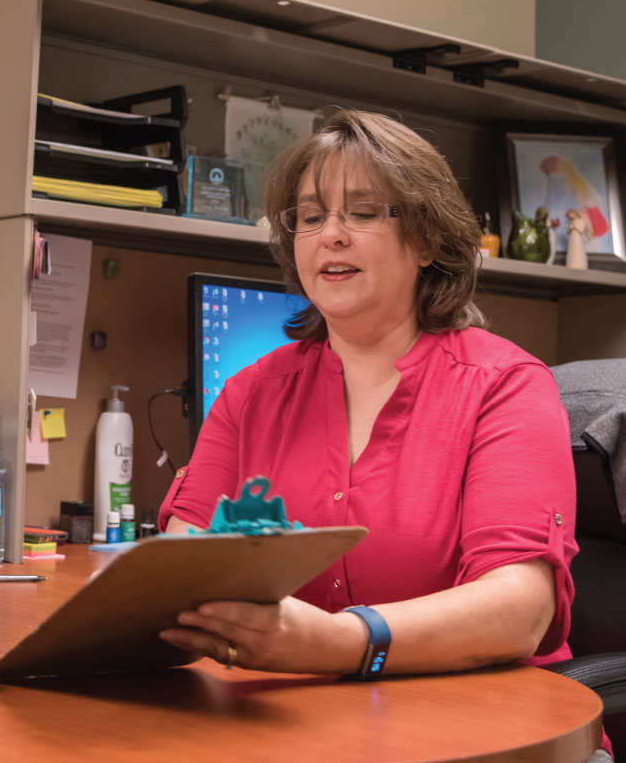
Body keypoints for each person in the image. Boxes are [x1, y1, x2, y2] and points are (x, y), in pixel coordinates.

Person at [157, 109, 578, 684]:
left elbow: (519, 610)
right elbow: (182, 570)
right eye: (311, 217)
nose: (330, 234)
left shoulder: (505, 386)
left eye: (362, 212)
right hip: (301, 715)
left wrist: (334, 643)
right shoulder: (250, 395)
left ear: (426, 238)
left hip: (483, 716)